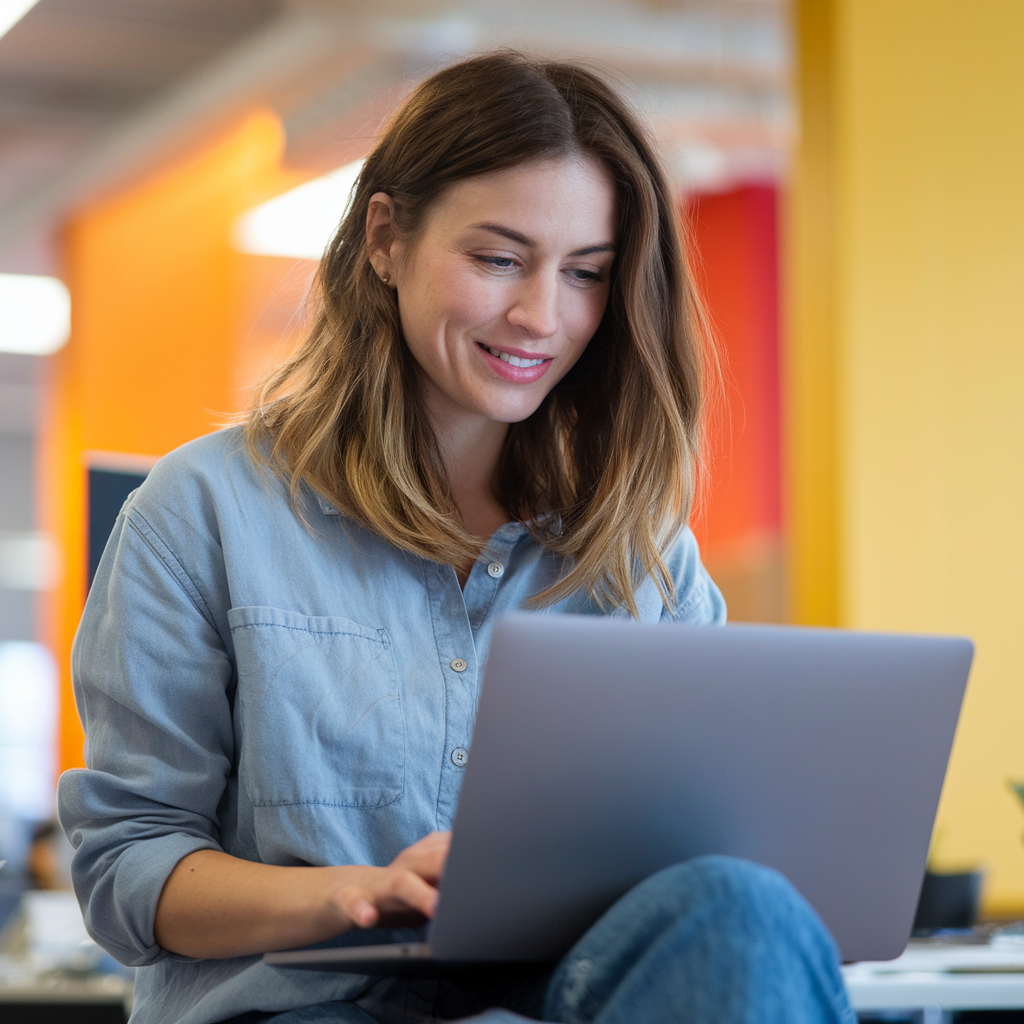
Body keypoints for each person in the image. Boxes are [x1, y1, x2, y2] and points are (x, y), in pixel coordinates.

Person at [58, 51, 856, 1024]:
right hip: (301, 1009)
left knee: (740, 906)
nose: (541, 315)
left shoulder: (640, 558)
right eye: (498, 258)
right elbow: (128, 870)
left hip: (560, 998)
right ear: (385, 239)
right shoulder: (203, 511)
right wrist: (354, 892)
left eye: (586, 274)